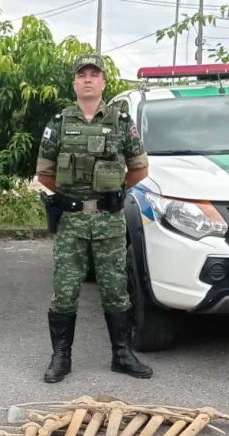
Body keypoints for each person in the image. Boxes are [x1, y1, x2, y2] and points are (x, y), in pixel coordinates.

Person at [36, 54, 153, 383]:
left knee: (116, 289)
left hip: (109, 221)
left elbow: (140, 168)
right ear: (74, 82)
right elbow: (44, 173)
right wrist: (73, 199)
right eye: (82, 74)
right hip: (71, 222)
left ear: (103, 82)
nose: (88, 79)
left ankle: (122, 354)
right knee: (64, 290)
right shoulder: (58, 123)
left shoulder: (120, 122)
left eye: (94, 74)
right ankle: (61, 357)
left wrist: (114, 192)